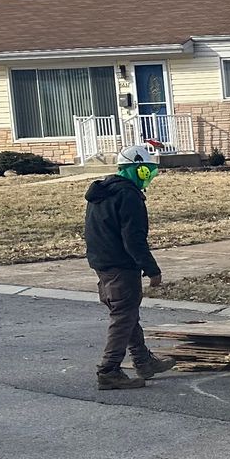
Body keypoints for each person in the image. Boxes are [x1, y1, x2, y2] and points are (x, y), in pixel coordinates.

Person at [84, 144, 177, 390]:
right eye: (147, 171)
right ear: (137, 170)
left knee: (127, 314)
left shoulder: (102, 191)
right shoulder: (128, 196)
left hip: (102, 264)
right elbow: (133, 238)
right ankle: (109, 370)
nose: (150, 177)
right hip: (120, 265)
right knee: (123, 316)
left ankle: (143, 361)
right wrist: (151, 268)